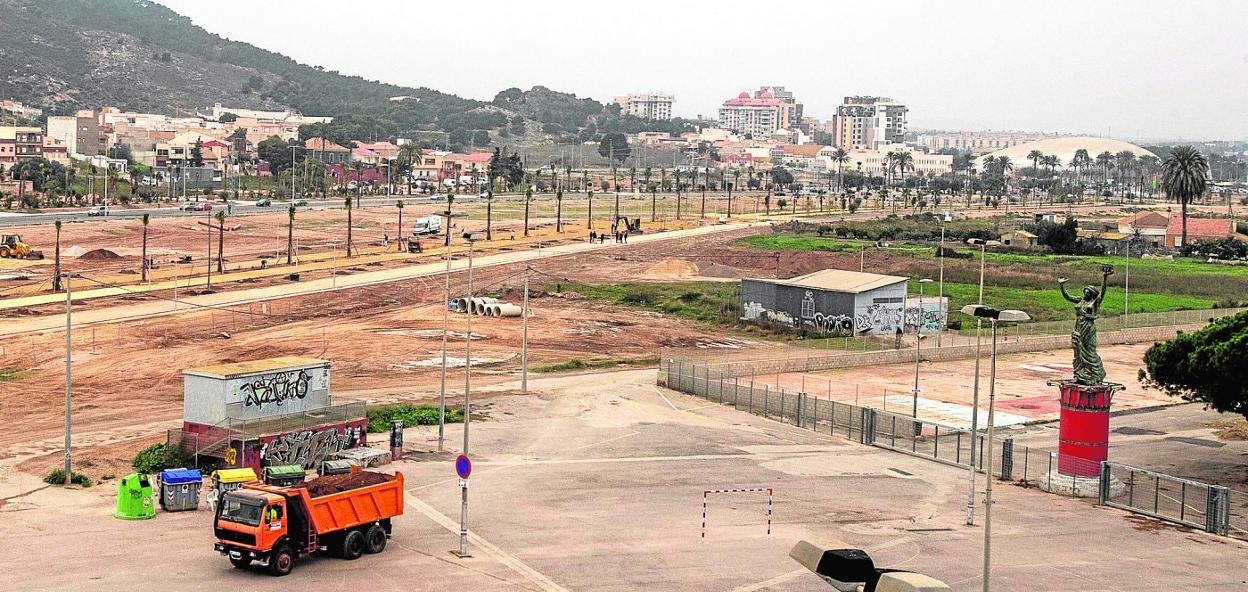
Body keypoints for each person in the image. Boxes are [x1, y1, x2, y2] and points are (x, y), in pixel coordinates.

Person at [1059, 266, 1112, 385]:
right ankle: (1079, 374)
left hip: (1088, 328)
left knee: (1088, 350)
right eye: (1085, 292)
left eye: (1088, 292)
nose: (1086, 294)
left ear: (1092, 294)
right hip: (1078, 327)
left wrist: (1105, 278)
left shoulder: (1094, 302)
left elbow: (1103, 292)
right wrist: (1062, 286)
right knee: (1077, 350)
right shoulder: (1080, 301)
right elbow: (1067, 297)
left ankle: (1095, 372)